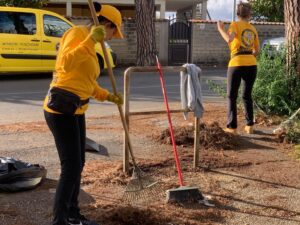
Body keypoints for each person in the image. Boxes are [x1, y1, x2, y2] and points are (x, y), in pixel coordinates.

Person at [43, 4, 123, 225]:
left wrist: (108, 96)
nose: (112, 37)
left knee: (79, 163)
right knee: (70, 166)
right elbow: (65, 64)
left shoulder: (96, 44)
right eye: (113, 32)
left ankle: (73, 213)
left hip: (77, 109)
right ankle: (60, 220)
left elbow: (87, 83)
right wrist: (90, 40)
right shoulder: (77, 34)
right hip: (60, 110)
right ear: (106, 24)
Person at [217, 1, 260, 135]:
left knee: (231, 96)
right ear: (249, 14)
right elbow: (256, 51)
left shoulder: (235, 25)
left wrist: (220, 29)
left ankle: (232, 127)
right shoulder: (252, 29)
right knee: (247, 96)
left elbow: (229, 39)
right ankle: (249, 125)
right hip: (252, 64)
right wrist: (248, 54)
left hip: (236, 63)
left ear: (237, 14)